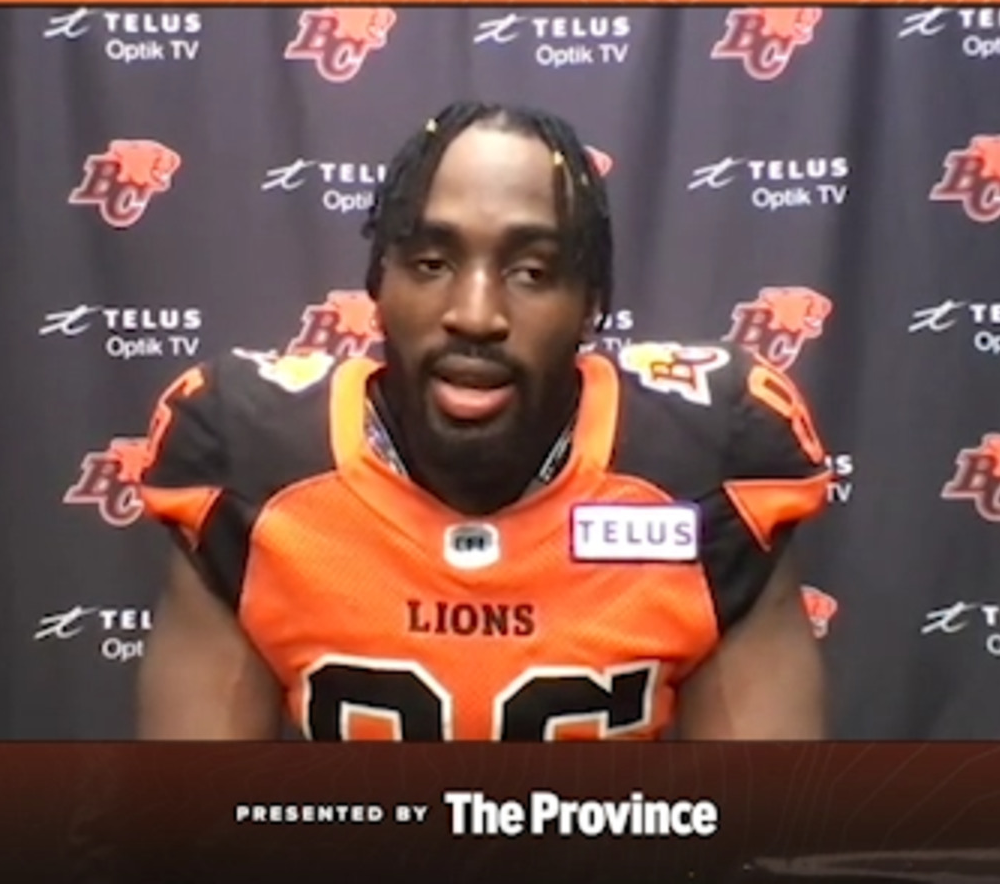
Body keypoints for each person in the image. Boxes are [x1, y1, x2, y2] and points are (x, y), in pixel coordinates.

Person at [132, 101, 833, 741]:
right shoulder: (256, 460)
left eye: (531, 272)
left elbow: (763, 836)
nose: (475, 314)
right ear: (379, 285)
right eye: (432, 262)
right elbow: (192, 832)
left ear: (592, 303)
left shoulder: (700, 464)